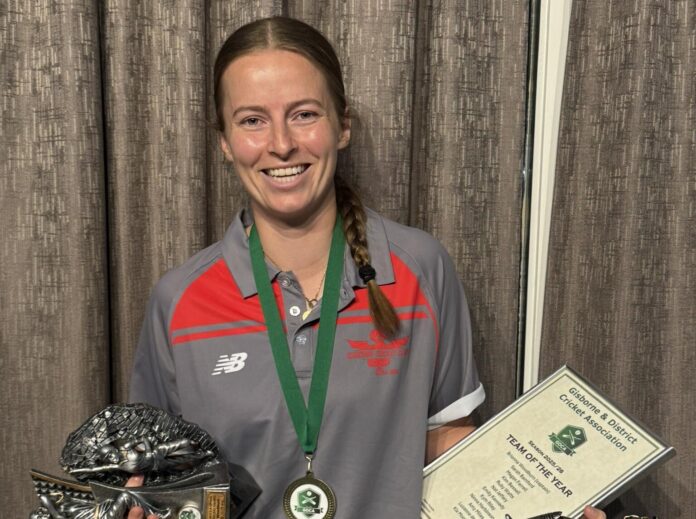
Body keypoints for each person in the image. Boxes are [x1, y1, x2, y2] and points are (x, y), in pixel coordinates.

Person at [126, 16, 606, 519]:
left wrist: (552, 495)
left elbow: (448, 447)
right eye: (252, 121)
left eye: (304, 114)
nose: (281, 143)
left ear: (343, 126)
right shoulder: (178, 301)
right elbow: (159, 481)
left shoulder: (420, 269)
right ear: (224, 141)